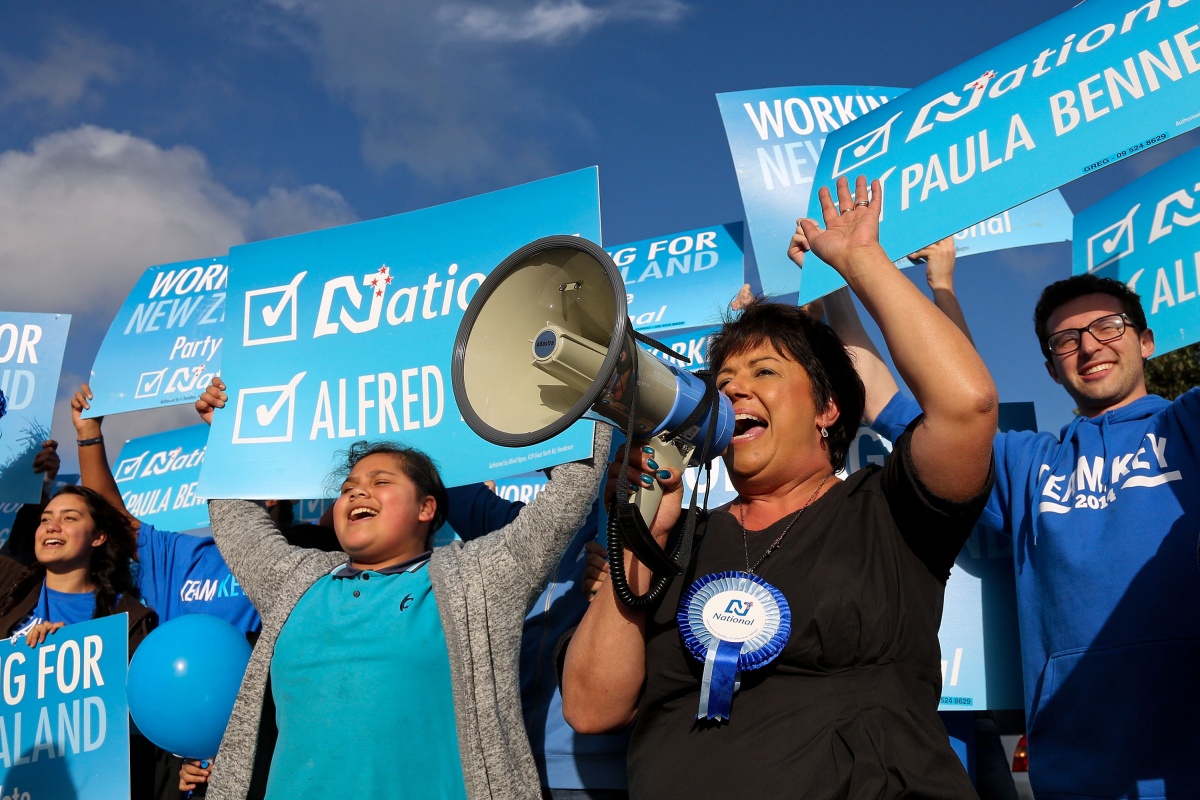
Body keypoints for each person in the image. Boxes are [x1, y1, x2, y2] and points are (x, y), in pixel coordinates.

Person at [562, 176, 998, 797]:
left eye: (764, 371)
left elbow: (968, 406)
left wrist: (861, 262)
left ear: (826, 409)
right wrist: (643, 538)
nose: (734, 388)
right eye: (724, 377)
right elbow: (590, 707)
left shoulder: (887, 512)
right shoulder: (674, 539)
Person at [864, 270, 1200, 797]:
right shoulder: (1026, 465)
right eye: (1067, 340)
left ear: (1146, 340)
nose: (1089, 346)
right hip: (1075, 771)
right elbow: (903, 398)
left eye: (1109, 327)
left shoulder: (1188, 425)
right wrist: (839, 280)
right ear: (1050, 367)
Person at [194, 376, 610, 800]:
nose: (357, 491)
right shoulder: (294, 581)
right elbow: (238, 520)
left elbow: (572, 489)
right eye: (347, 488)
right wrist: (228, 437)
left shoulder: (479, 579)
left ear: (427, 507)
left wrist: (574, 385)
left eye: (380, 482)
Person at [0, 484, 158, 798]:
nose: (52, 527)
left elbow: (141, 728)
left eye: (69, 518)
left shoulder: (129, 623)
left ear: (98, 537)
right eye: (45, 519)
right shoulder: (9, 590)